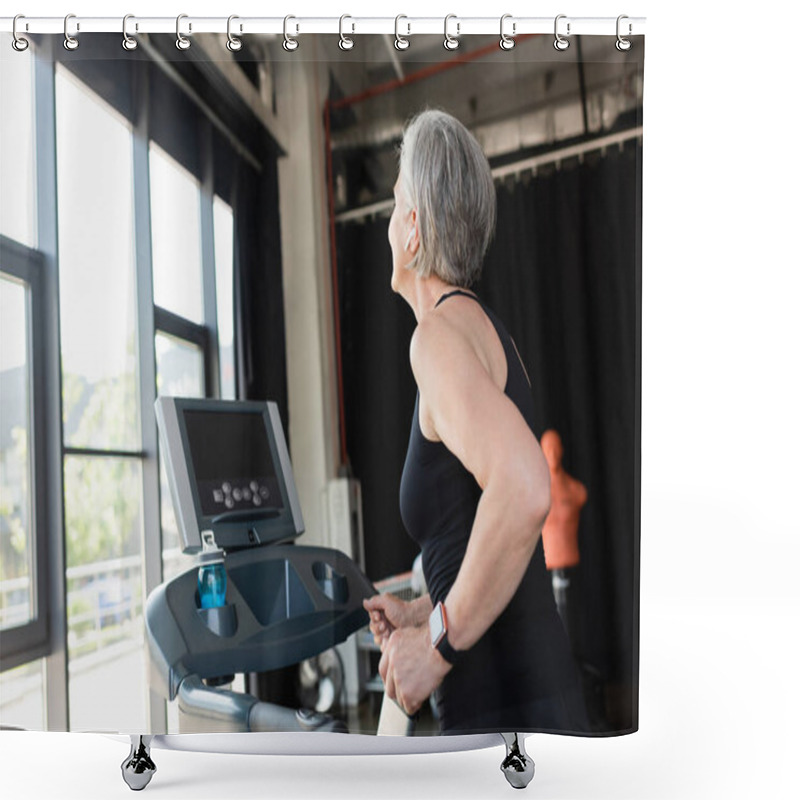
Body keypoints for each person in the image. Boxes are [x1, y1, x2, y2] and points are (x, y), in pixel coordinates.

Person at [362, 109, 587, 734]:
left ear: (414, 230)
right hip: (535, 693)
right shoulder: (485, 331)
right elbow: (477, 530)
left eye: (394, 203)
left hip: (505, 708)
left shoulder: (435, 338)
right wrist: (423, 609)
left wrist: (435, 645)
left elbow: (523, 486)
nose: (385, 224)